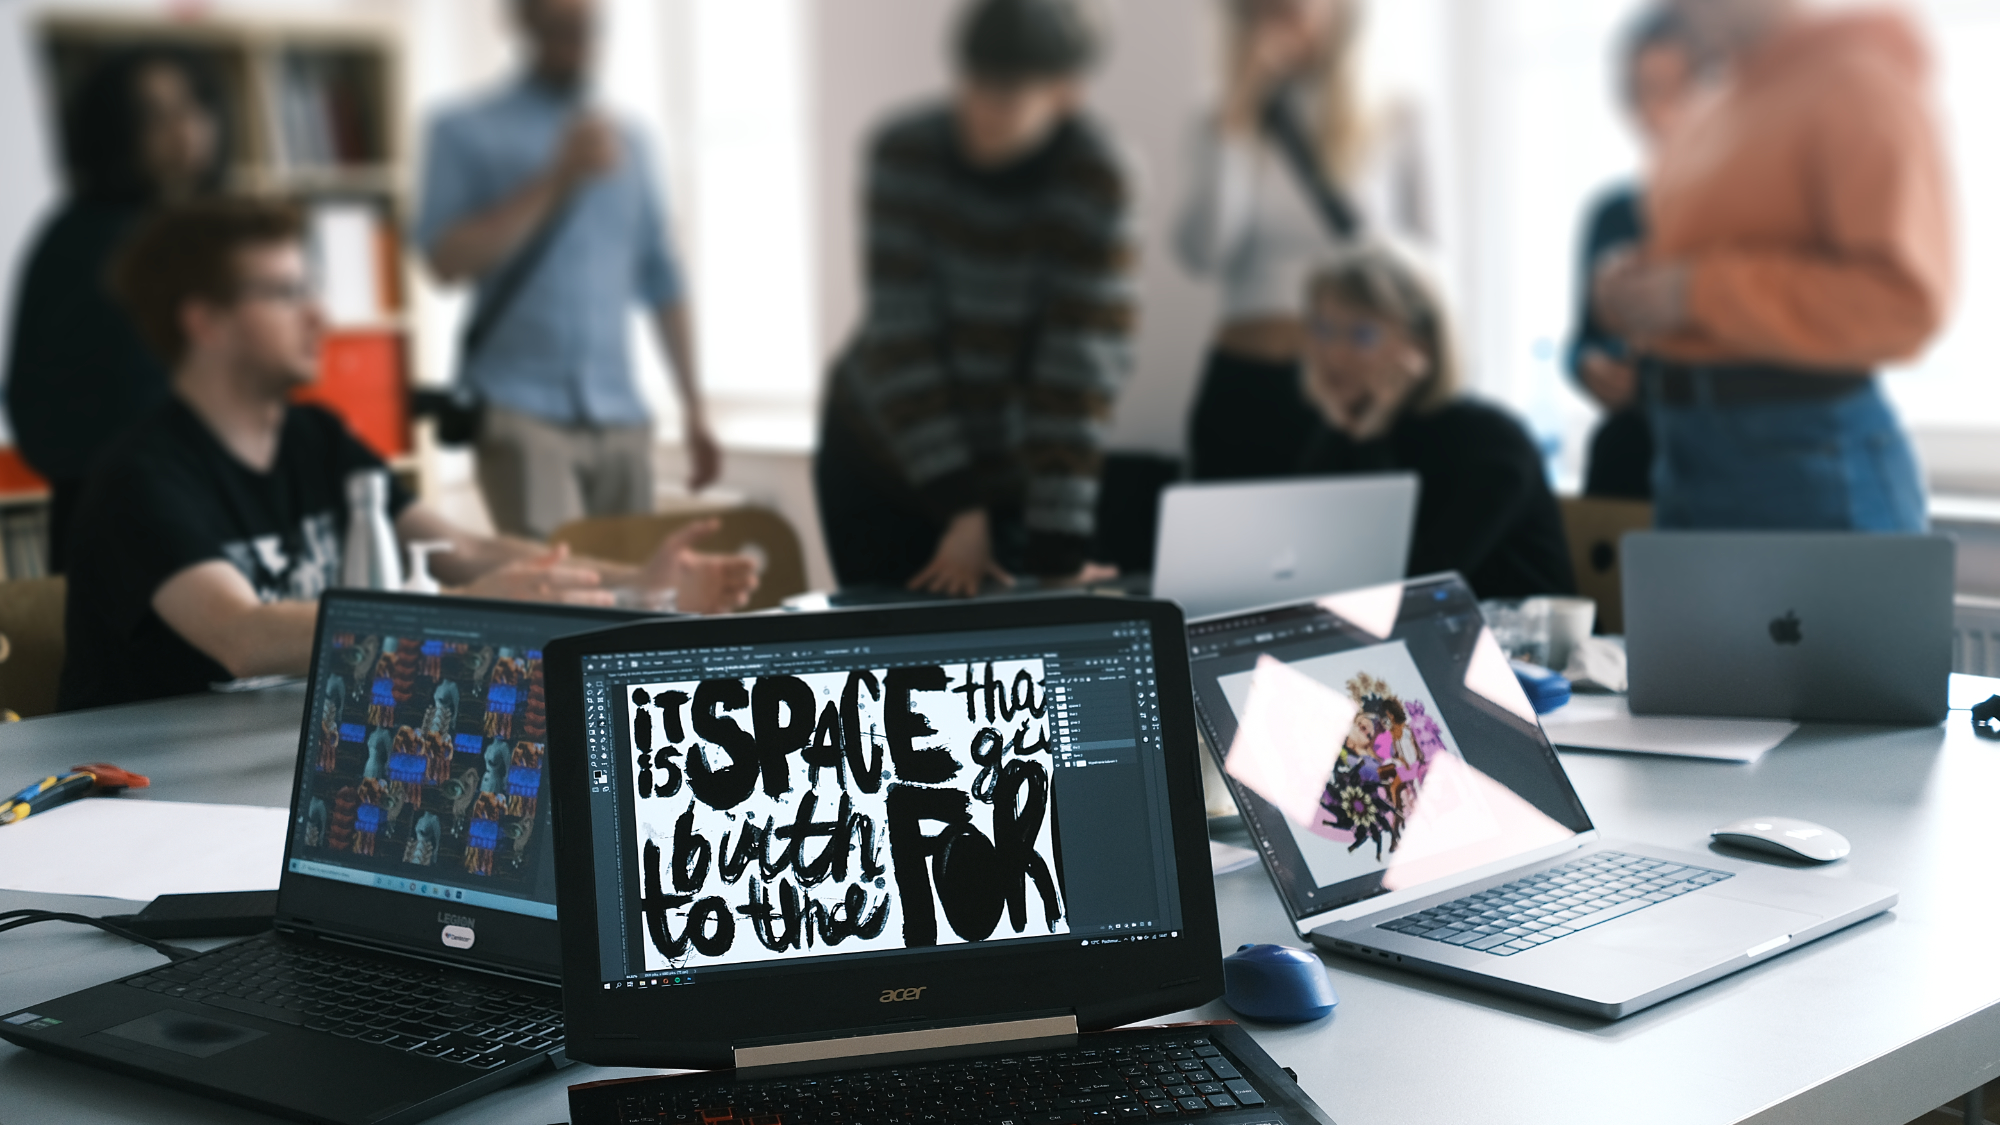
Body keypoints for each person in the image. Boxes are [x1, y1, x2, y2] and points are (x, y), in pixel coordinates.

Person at [59, 199, 757, 712]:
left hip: (287, 750)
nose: (319, 315)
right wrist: (462, 611)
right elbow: (243, 635)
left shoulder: (318, 438)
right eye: (283, 292)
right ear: (203, 320)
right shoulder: (139, 477)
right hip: (156, 789)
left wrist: (638, 586)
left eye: (311, 288)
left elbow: (463, 549)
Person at [814, 0, 1136, 597]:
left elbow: (1078, 375)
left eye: (1010, 96)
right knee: (897, 657)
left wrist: (1059, 557)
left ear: (1065, 93)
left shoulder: (1096, 179)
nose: (983, 112)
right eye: (975, 84)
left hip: (1009, 468)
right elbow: (901, 337)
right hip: (880, 456)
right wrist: (962, 511)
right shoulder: (904, 152)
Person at [1594, 0, 1953, 531]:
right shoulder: (1715, 107)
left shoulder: (1856, 82)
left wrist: (1692, 292)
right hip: (1685, 449)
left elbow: (1904, 298)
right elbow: (1711, 266)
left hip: (1805, 456)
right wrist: (1635, 292)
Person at [414, 0, 719, 540]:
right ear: (522, 22)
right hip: (519, 411)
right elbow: (444, 261)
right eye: (561, 29)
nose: (578, 45)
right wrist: (557, 178)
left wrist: (696, 408)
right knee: (559, 602)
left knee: (635, 603)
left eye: (589, 30)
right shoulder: (462, 129)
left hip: (620, 412)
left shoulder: (633, 141)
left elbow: (663, 278)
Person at [1178, 0, 1432, 482]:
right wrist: (1236, 117)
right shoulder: (1220, 114)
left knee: (1350, 553)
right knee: (1221, 554)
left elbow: (1425, 261)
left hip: (1351, 386)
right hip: (1245, 383)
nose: (1276, 16)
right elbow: (1207, 250)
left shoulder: (1397, 112)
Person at [4, 48, 226, 571]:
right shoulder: (87, 241)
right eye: (153, 115)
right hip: (128, 523)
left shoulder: (192, 225)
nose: (184, 128)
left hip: (200, 505)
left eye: (193, 106)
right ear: (112, 131)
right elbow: (56, 418)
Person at [1297, 247, 1575, 599]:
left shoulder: (1493, 442)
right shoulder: (1343, 429)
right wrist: (1349, 434)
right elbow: (1304, 566)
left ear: (1422, 345)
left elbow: (1410, 586)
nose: (1334, 353)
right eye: (1323, 329)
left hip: (1522, 649)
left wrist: (1371, 441)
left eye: (1362, 335)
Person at [1565, 8, 1702, 500]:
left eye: (1671, 91)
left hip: (1723, 452)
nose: (1652, 113)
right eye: (1638, 92)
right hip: (1635, 451)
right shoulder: (1613, 214)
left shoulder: (1744, 216)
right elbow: (1583, 340)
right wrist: (1590, 367)